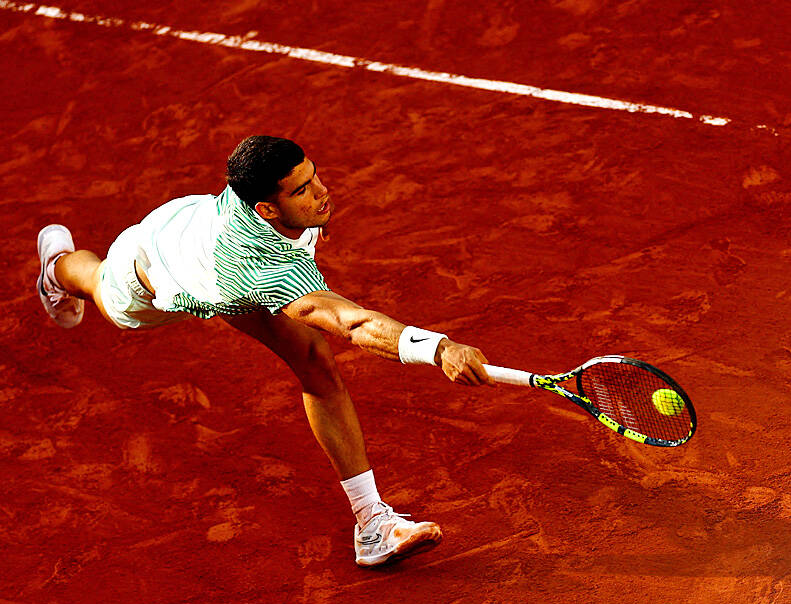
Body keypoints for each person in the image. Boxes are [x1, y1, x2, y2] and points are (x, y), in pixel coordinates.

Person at [35, 135, 493, 567]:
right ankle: (55, 269)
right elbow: (351, 322)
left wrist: (311, 214)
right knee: (95, 282)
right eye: (303, 190)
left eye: (314, 176)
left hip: (209, 251)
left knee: (315, 363)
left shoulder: (268, 198)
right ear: (267, 209)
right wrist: (439, 349)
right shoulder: (262, 268)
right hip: (149, 271)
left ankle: (372, 526)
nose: (322, 192)